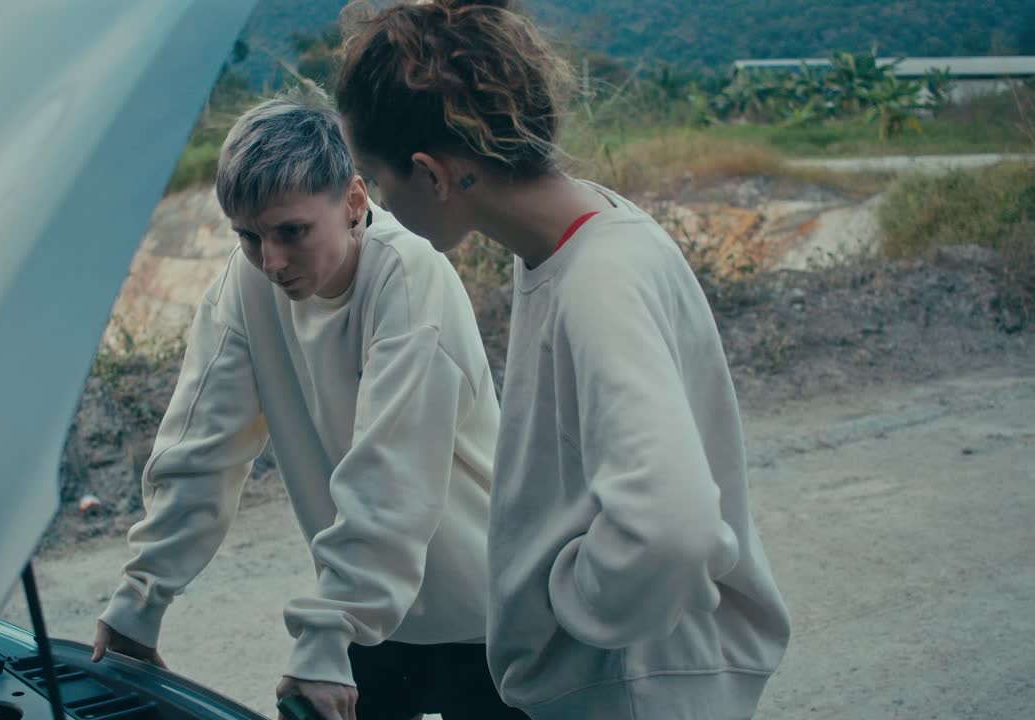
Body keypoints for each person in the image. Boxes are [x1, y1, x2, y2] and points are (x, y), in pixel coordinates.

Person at [334, 2, 792, 718]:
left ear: (432, 173)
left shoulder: (595, 281)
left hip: (631, 692)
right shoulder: (581, 237)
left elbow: (671, 529)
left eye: (377, 181)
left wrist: (563, 607)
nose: (377, 208)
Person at [91, 94, 522, 720]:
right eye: (248, 236)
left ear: (351, 202)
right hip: (368, 617)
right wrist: (139, 602)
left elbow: (391, 477)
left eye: (291, 232)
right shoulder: (245, 288)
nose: (271, 262)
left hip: (483, 619)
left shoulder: (407, 276)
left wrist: (326, 635)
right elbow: (201, 453)